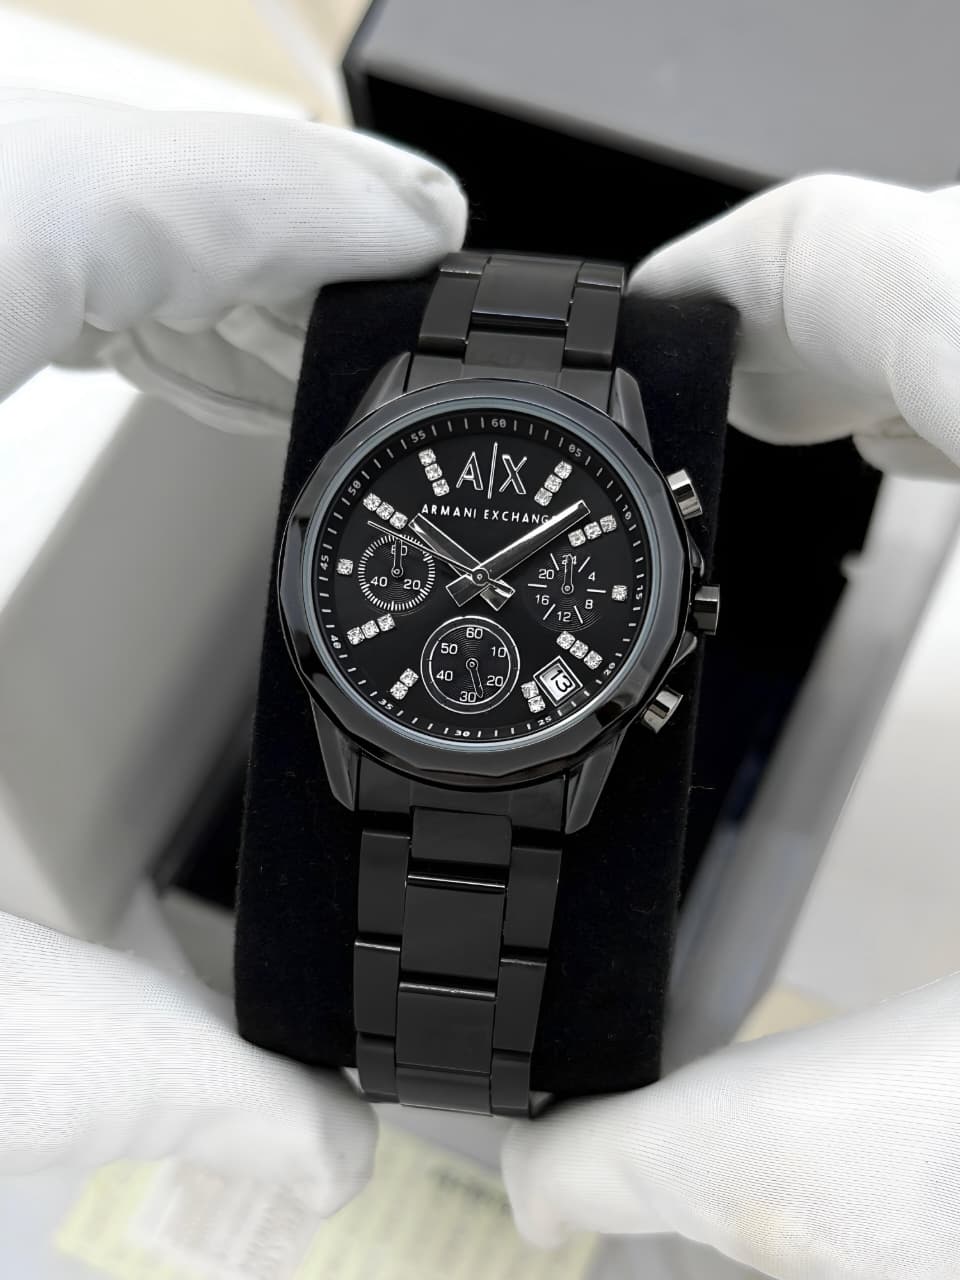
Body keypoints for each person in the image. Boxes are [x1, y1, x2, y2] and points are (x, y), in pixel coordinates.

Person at [1, 92, 957, 1280]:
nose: (481, 581)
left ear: (688, 599)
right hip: (390, 716)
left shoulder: (601, 502)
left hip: (531, 736)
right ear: (310, 539)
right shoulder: (376, 508)